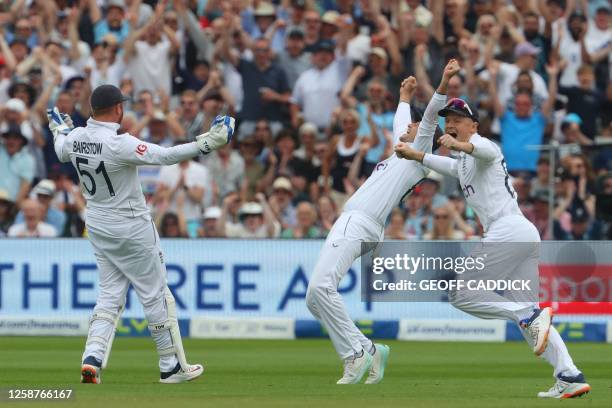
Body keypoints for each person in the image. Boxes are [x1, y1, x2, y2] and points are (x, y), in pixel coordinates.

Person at [394, 93, 590, 398]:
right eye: (449, 121)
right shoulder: (462, 165)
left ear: (473, 124)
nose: (452, 125)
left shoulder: (485, 147)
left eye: (458, 120)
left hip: (507, 232)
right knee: (527, 311)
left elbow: (479, 150)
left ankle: (526, 317)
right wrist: (415, 154)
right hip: (522, 234)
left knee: (460, 294)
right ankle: (569, 374)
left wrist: (457, 144)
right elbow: (445, 165)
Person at [48, 84, 235, 384]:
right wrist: (207, 144)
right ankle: (169, 365)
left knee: (109, 294)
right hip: (131, 226)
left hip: (97, 224)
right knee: (155, 294)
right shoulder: (118, 142)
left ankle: (92, 358)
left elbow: (60, 149)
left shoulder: (76, 137)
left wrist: (58, 128)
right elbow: (165, 155)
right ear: (118, 109)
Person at [306, 60, 459, 385]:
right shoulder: (400, 152)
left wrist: (443, 80)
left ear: (425, 139)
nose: (409, 126)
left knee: (321, 287)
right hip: (361, 224)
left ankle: (354, 356)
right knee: (313, 299)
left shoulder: (418, 154)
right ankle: (369, 349)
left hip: (359, 222)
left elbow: (429, 117)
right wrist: (404, 97)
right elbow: (403, 122)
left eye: (415, 127)